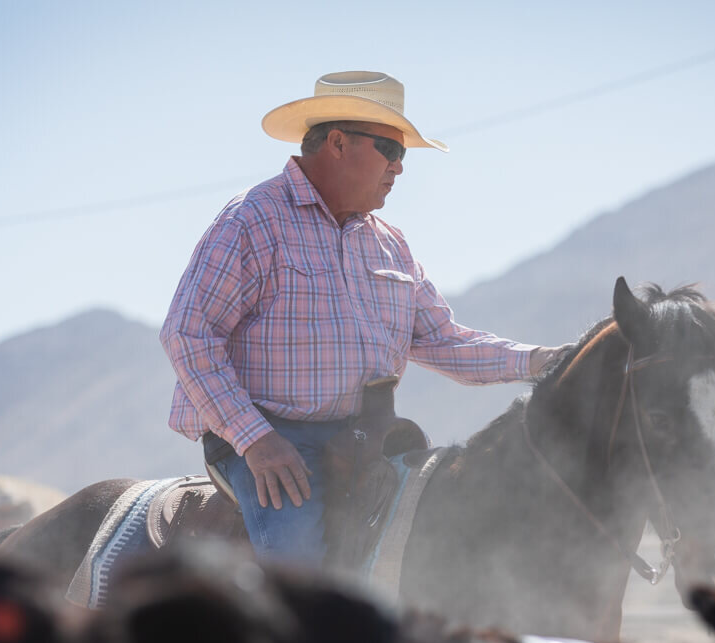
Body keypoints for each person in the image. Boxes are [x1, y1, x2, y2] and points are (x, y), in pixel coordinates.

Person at [160, 71, 570, 565]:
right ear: (337, 142)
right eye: (389, 150)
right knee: (304, 576)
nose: (399, 168)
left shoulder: (390, 242)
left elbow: (444, 342)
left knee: (456, 537)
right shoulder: (252, 219)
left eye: (403, 156)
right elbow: (188, 334)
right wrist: (256, 440)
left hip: (368, 439)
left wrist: (544, 360)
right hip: (270, 439)